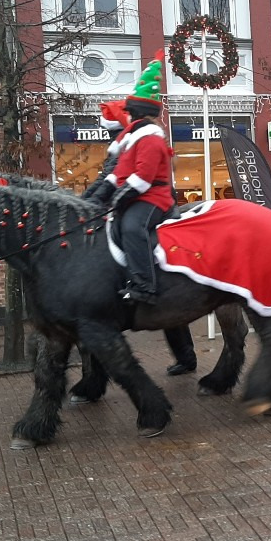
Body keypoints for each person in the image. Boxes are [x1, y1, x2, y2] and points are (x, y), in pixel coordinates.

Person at [88, 68, 196, 375]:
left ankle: (144, 285)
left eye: (132, 113)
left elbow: (144, 176)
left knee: (132, 227)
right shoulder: (131, 139)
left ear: (140, 115)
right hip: (138, 194)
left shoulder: (149, 138)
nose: (129, 117)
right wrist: (100, 194)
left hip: (154, 198)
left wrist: (119, 196)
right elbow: (118, 172)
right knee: (120, 225)